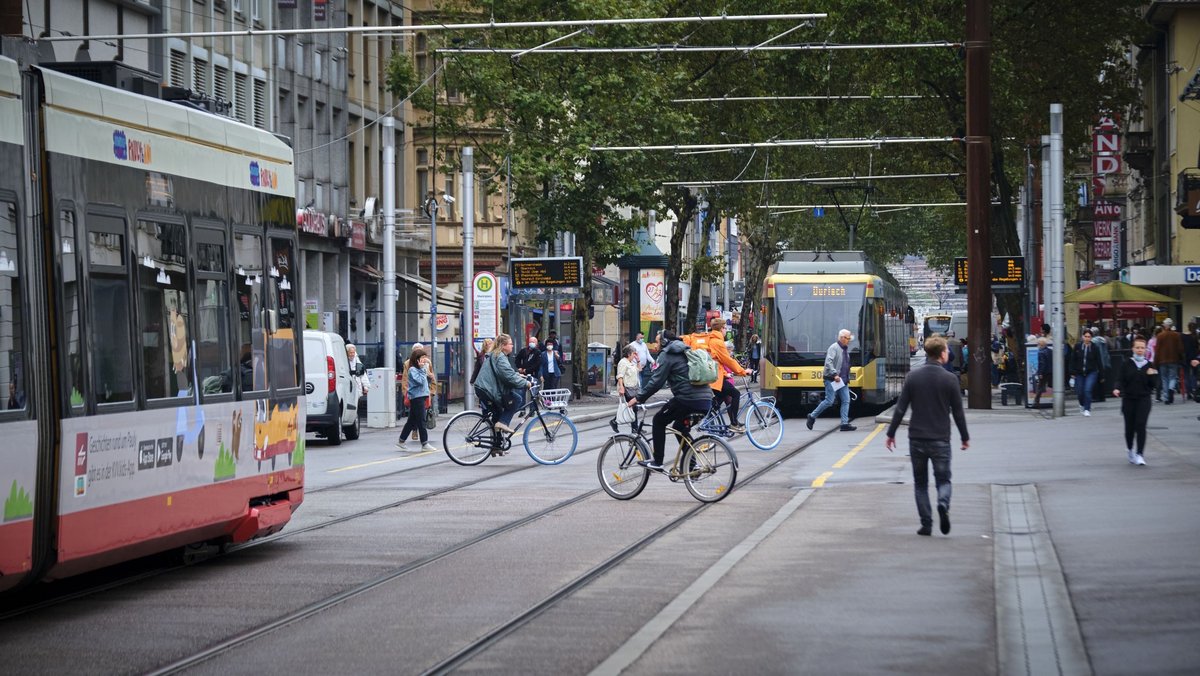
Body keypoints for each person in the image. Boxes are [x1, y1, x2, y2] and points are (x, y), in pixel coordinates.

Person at [885, 336, 970, 536]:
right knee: (944, 480)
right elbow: (958, 412)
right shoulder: (950, 379)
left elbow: (900, 409)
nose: (948, 353)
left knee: (920, 483)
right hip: (941, 438)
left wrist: (891, 433)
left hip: (917, 439)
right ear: (942, 354)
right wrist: (964, 437)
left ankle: (926, 523)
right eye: (947, 350)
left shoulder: (913, 377)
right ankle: (943, 502)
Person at [626, 330, 712, 471]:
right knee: (679, 427)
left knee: (658, 420)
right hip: (706, 400)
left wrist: (638, 398)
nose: (655, 344)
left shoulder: (667, 354)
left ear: (664, 342)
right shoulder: (687, 350)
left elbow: (656, 382)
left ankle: (658, 462)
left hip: (687, 399)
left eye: (657, 341)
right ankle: (692, 465)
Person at [684, 317, 749, 433]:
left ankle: (704, 418)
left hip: (711, 377)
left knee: (718, 401)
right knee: (735, 394)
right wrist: (743, 371)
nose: (726, 331)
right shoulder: (717, 342)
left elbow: (715, 361)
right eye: (725, 328)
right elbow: (727, 360)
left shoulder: (709, 339)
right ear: (722, 328)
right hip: (715, 379)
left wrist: (725, 373)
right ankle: (734, 424)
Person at [474, 333, 534, 434]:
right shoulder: (500, 357)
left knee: (498, 415)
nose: (512, 346)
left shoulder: (496, 355)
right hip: (488, 389)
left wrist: (518, 375)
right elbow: (509, 377)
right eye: (510, 344)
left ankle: (496, 447)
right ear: (503, 346)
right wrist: (526, 383)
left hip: (484, 388)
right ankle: (503, 423)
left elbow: (505, 373)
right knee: (517, 399)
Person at [1113, 337, 1156, 466]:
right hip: (1129, 399)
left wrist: (1151, 375)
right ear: (1133, 349)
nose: (1139, 350)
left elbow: (1154, 384)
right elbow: (1120, 378)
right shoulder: (1126, 363)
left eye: (1142, 348)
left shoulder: (1149, 365)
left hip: (1144, 399)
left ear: (1145, 350)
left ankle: (1140, 454)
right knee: (1130, 428)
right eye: (1137, 347)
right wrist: (1116, 388)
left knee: (1141, 425)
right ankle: (1130, 449)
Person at [805, 328, 857, 432]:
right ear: (842, 338)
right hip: (832, 379)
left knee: (846, 400)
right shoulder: (834, 348)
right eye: (847, 338)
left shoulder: (845, 349)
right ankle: (812, 416)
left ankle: (844, 424)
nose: (849, 340)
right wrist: (834, 374)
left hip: (842, 380)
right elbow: (828, 362)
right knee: (829, 401)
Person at [396, 348, 437, 452]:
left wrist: (430, 376)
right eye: (422, 358)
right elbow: (419, 381)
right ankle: (425, 444)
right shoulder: (412, 370)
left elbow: (425, 381)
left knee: (411, 421)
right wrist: (424, 370)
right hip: (416, 398)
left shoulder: (421, 369)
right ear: (417, 359)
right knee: (421, 421)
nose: (424, 360)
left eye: (425, 358)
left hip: (422, 396)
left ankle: (401, 441)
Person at [1153, 318, 1184, 404]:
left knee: (1164, 378)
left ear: (1164, 326)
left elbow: (1157, 350)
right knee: (1172, 377)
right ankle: (1171, 389)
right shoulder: (1176, 335)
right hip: (1174, 360)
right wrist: (1181, 358)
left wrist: (1155, 362)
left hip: (1162, 360)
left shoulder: (1160, 336)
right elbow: (1180, 348)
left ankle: (1166, 397)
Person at [1071, 329, 1102, 417]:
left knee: (1087, 390)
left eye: (1089, 337)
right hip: (1079, 372)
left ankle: (1087, 409)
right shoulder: (1077, 346)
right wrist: (1072, 372)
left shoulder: (1095, 347)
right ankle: (1082, 404)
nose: (1087, 339)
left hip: (1091, 372)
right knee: (1080, 391)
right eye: (1086, 336)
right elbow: (1072, 360)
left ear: (1091, 338)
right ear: (1083, 337)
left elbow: (1099, 361)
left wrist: (1102, 374)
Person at [1033, 337, 1052, 407]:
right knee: (1051, 385)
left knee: (1040, 387)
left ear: (1041, 345)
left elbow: (1042, 363)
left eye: (1038, 344)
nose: (1037, 345)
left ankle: (1036, 402)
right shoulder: (1050, 351)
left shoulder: (1041, 353)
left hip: (1044, 372)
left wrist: (1040, 373)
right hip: (1051, 371)